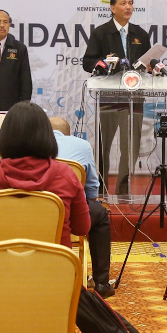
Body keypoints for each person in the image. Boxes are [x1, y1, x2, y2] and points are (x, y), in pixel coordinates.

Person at [0, 103, 91, 260]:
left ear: (5, 136)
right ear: (47, 136)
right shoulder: (66, 175)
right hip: (56, 275)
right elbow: (82, 228)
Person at [81, 0, 151, 195]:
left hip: (135, 97)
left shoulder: (140, 34)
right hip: (109, 98)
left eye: (130, 3)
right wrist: (103, 63)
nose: (128, 7)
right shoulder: (101, 33)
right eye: (123, 3)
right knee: (105, 146)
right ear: (112, 8)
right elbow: (88, 62)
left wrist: (150, 65)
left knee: (131, 148)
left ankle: (122, 190)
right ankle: (100, 190)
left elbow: (146, 61)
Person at [49, 116, 115, 298]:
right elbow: (92, 187)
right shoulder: (82, 145)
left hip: (39, 211)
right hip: (71, 212)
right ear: (69, 134)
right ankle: (101, 283)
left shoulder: (33, 145)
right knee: (100, 215)